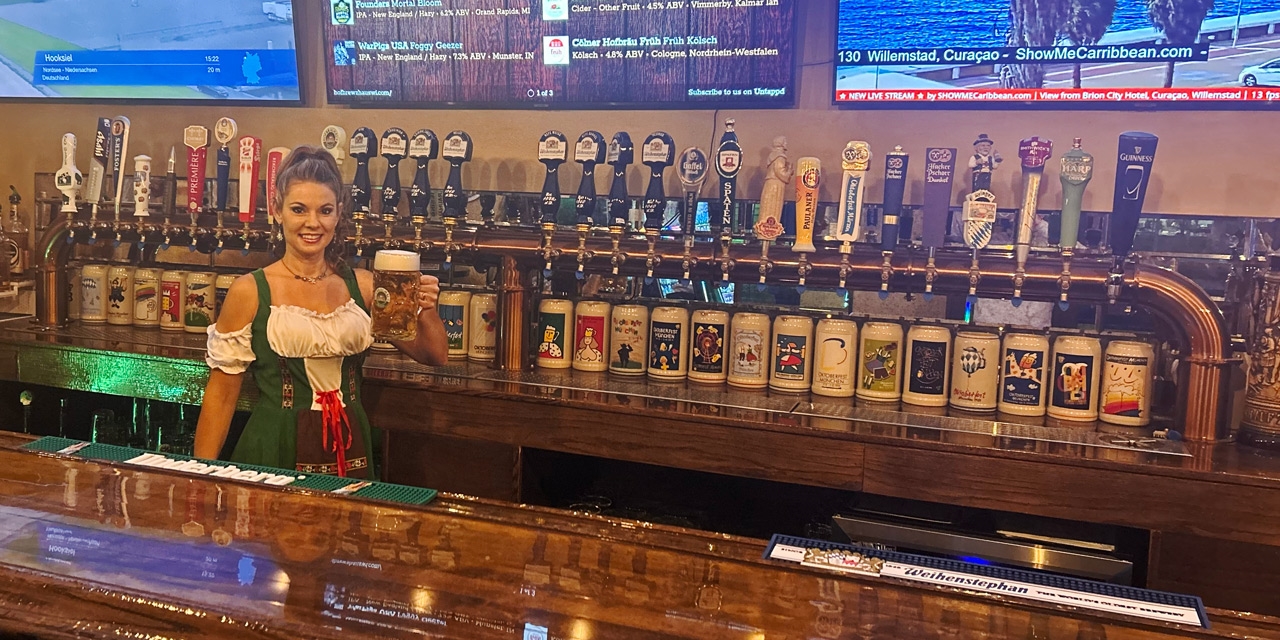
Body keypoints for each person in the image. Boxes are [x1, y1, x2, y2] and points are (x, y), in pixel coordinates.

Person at [194, 146, 448, 478]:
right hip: (274, 446)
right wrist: (198, 476)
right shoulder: (250, 291)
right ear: (277, 210)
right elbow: (222, 395)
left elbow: (434, 355)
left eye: (325, 210)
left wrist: (426, 308)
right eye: (298, 209)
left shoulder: (364, 286)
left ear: (338, 213)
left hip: (350, 447)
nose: (312, 223)